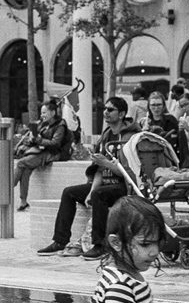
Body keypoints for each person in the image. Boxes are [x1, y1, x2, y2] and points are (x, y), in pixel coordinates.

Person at [37, 96, 139, 260]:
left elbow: (131, 173)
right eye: (105, 109)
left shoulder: (131, 138)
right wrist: (91, 191)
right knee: (69, 192)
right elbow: (98, 169)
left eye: (110, 110)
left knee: (100, 195)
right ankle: (59, 241)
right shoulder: (106, 135)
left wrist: (106, 164)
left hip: (124, 186)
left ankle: (100, 245)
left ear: (121, 114)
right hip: (105, 183)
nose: (105, 112)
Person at [13, 99, 68, 211]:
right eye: (41, 113)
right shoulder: (44, 124)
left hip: (52, 153)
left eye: (44, 112)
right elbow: (38, 139)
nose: (42, 115)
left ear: (53, 112)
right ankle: (23, 202)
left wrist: (38, 140)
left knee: (21, 163)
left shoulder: (60, 125)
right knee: (26, 170)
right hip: (41, 151)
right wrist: (31, 140)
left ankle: (7, 189)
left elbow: (55, 143)